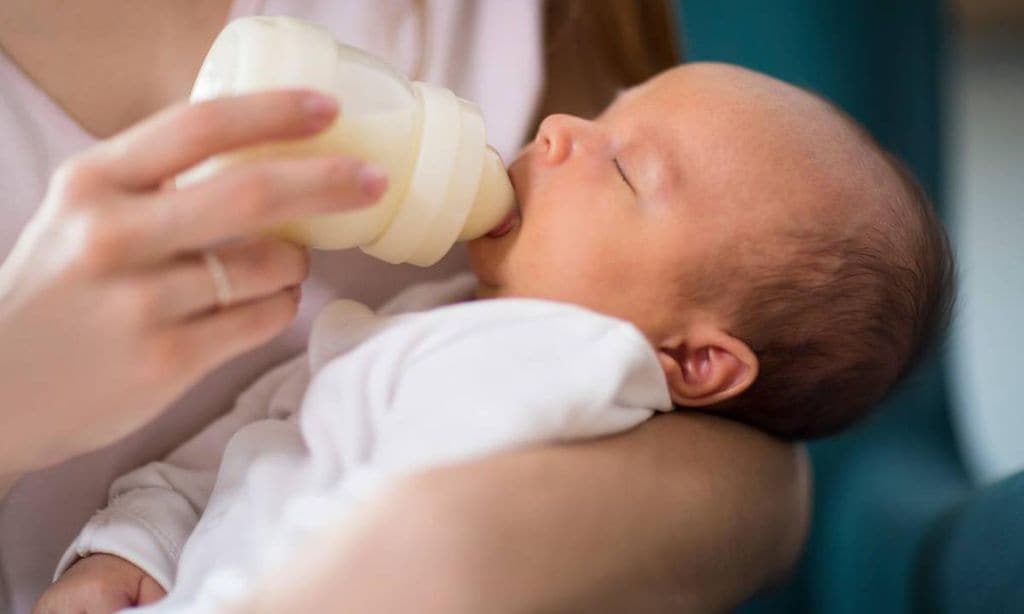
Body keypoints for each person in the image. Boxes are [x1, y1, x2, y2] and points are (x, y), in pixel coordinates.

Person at [38, 63, 953, 613]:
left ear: (693, 361)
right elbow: (247, 438)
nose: (559, 131)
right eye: (606, 112)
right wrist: (132, 547)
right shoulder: (439, 315)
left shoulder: (563, 377)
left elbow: (383, 554)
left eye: (627, 168)